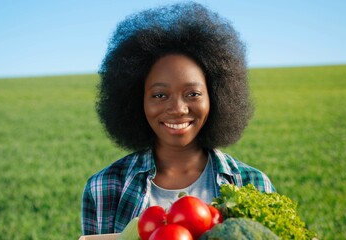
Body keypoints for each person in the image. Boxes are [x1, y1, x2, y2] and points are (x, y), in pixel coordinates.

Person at [81, 2, 275, 235]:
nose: (178, 108)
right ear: (137, 100)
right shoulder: (103, 188)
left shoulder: (253, 184)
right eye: (160, 95)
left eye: (192, 94)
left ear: (216, 97)